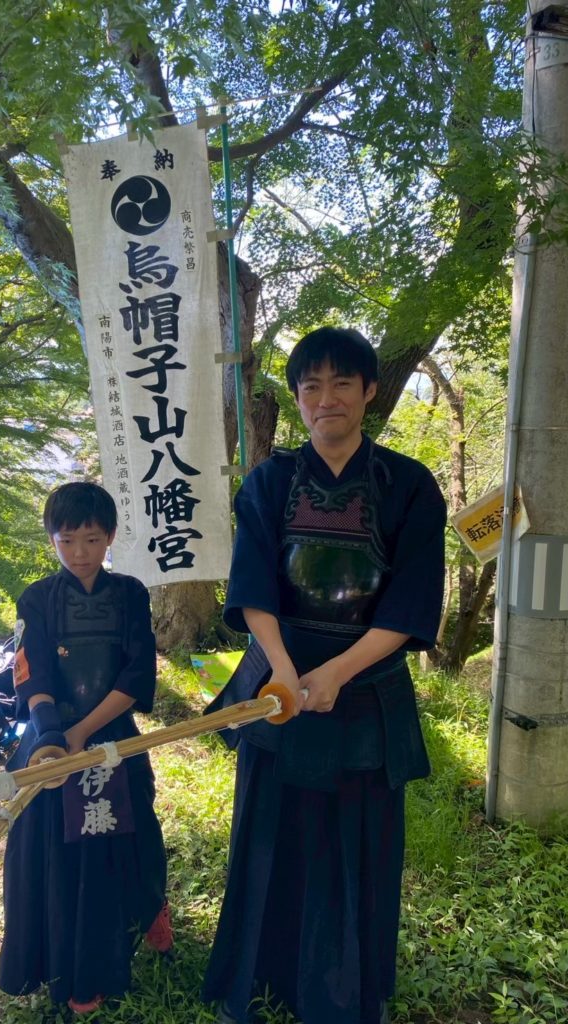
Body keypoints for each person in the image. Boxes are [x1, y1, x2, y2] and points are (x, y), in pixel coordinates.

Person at [201, 327, 446, 1024]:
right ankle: (257, 976)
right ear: (298, 399)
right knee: (268, 833)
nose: (326, 398)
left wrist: (336, 672)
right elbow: (253, 588)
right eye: (311, 386)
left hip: (364, 687)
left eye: (342, 383)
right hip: (276, 681)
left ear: (368, 392)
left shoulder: (409, 486)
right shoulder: (269, 482)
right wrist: (282, 670)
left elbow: (409, 605)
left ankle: (343, 992)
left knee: (353, 842)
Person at [0, 481, 172, 1014]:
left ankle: (146, 915)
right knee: (58, 853)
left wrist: (83, 734)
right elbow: (33, 675)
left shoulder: (131, 595)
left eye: (92, 540)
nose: (79, 553)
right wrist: (54, 736)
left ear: (111, 537)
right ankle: (64, 961)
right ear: (52, 538)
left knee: (130, 838)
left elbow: (136, 675)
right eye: (67, 540)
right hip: (48, 741)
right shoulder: (36, 599)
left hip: (111, 736)